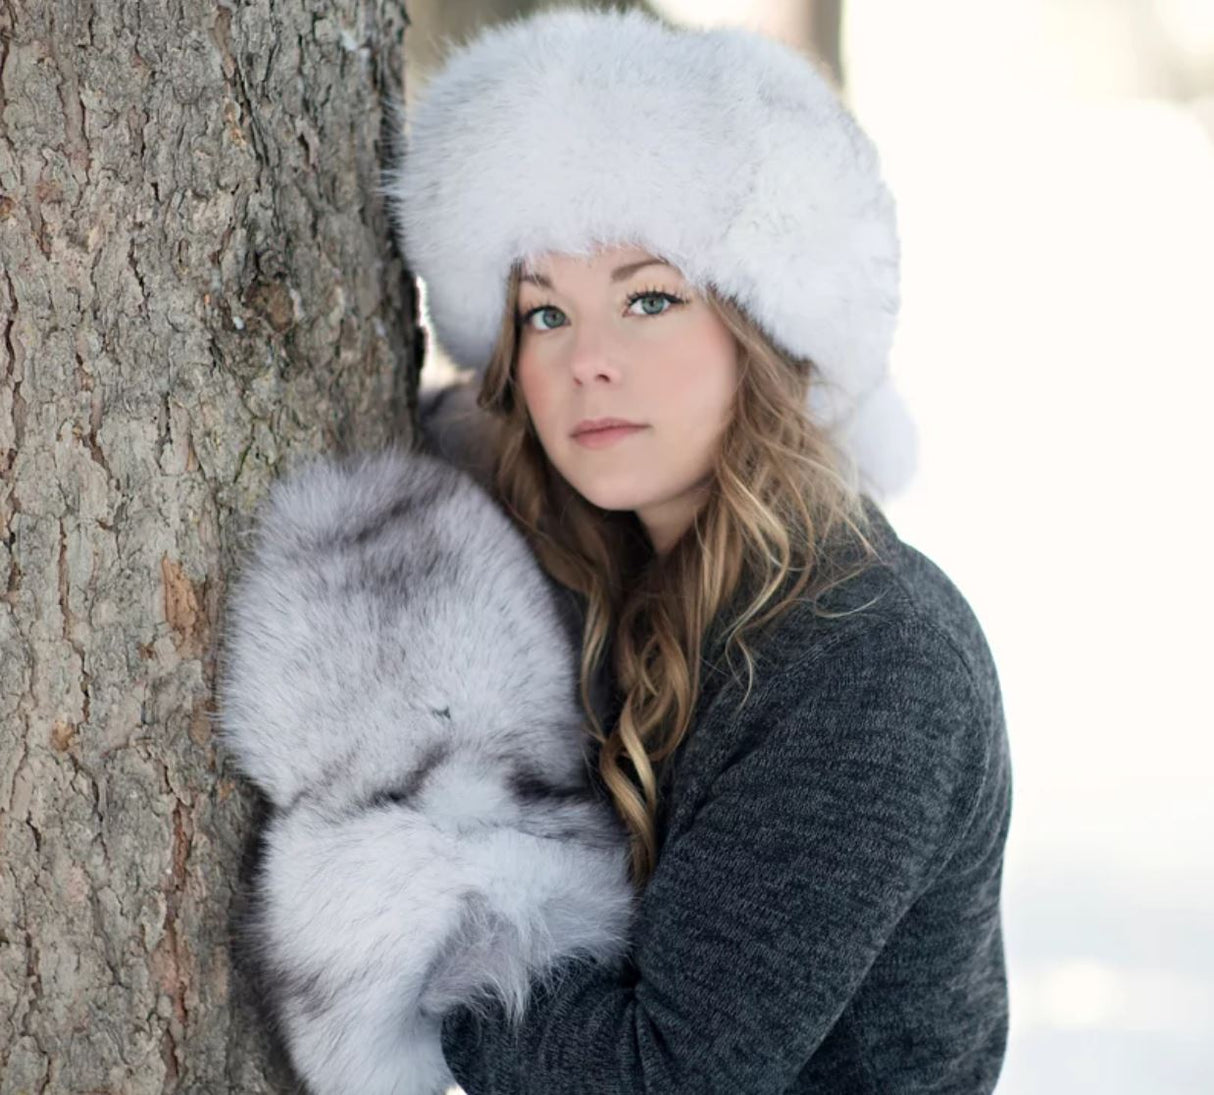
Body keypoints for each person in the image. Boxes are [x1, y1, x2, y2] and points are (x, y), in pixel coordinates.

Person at [394, 6, 1012, 1093]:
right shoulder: (579, 585)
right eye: (544, 314)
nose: (588, 359)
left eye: (648, 298)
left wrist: (404, 905)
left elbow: (659, 1075)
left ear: (761, 330)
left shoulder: (869, 659)